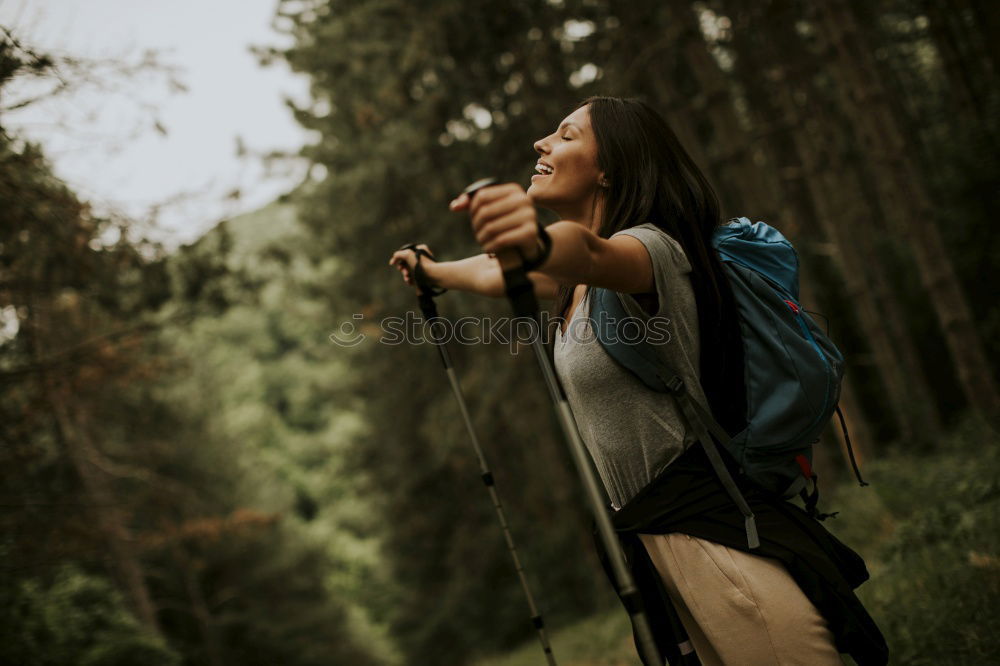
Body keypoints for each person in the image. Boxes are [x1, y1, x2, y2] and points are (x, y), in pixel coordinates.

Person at [388, 96, 886, 665]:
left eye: (566, 135)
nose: (541, 143)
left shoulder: (652, 251)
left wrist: (536, 242)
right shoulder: (575, 287)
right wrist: (431, 272)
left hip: (713, 543)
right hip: (657, 549)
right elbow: (502, 270)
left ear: (611, 167)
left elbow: (587, 250)